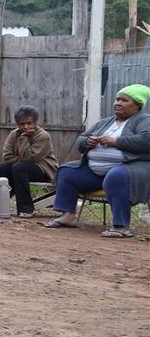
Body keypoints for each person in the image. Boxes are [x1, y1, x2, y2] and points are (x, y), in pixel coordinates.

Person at [44, 84, 150, 238]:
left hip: (129, 168)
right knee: (68, 171)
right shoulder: (105, 122)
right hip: (95, 172)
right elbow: (81, 139)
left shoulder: (144, 120)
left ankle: (120, 226)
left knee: (116, 176)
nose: (118, 103)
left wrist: (116, 141)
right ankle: (68, 216)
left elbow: (147, 140)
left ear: (137, 105)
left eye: (124, 100)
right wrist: (88, 142)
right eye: (117, 99)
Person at [0, 105, 58, 217]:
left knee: (19, 168)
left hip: (43, 170)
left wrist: (24, 139)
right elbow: (6, 157)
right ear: (17, 124)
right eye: (22, 124)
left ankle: (25, 209)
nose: (26, 126)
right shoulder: (13, 134)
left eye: (29, 123)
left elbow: (31, 158)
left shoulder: (43, 136)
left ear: (35, 123)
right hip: (20, 167)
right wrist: (19, 159)